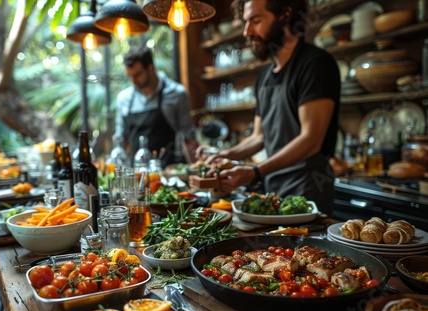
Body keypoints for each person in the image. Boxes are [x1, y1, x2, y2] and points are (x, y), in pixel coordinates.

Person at [196, 0, 340, 215]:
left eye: (255, 20)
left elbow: (311, 140)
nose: (247, 31)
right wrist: (226, 155)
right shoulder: (264, 77)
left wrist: (254, 172)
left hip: (308, 193)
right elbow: (259, 137)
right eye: (246, 22)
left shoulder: (315, 64)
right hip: (273, 191)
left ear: (285, 14)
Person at [115, 45, 196, 167]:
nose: (133, 80)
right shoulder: (124, 99)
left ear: (151, 68)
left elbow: (188, 138)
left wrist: (195, 169)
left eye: (137, 75)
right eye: (129, 76)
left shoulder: (176, 94)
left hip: (169, 172)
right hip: (138, 172)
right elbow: (121, 139)